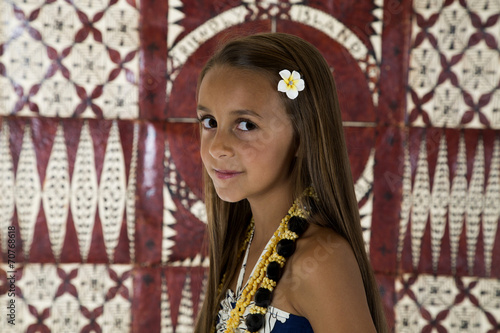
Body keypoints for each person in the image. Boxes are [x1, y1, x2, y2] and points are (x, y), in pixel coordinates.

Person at [194, 32, 387, 333]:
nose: (217, 147)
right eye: (209, 122)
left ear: (301, 137)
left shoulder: (322, 260)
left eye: (246, 125)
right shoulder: (241, 244)